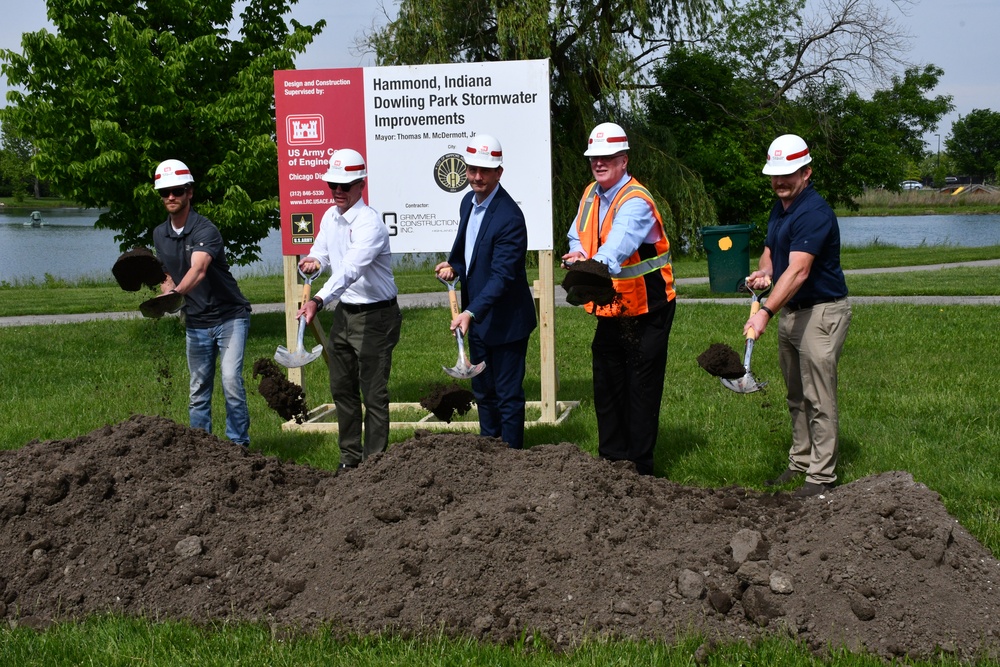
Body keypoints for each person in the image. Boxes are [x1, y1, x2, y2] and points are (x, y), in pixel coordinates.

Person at [561, 122, 677, 476]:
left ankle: (640, 469)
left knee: (640, 388)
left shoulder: (635, 201)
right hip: (612, 308)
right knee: (607, 385)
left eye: (608, 157)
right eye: (595, 157)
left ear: (623, 160)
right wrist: (578, 254)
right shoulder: (591, 194)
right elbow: (576, 235)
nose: (599, 163)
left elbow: (617, 248)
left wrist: (590, 266)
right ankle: (611, 464)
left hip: (649, 308)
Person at [744, 134, 852, 498]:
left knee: (818, 396)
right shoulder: (782, 205)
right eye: (775, 175)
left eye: (787, 174)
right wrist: (763, 273)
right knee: (795, 394)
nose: (779, 182)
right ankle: (801, 461)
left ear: (807, 172)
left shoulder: (814, 212)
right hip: (792, 311)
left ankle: (821, 478)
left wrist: (764, 312)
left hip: (821, 312)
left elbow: (800, 271)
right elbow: (772, 253)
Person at [296, 149, 401, 470]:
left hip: (377, 315)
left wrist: (318, 300)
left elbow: (350, 270)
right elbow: (323, 252)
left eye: (345, 185)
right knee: (342, 388)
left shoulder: (371, 225)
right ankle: (349, 462)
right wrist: (313, 260)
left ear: (361, 185)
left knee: (373, 395)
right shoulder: (331, 216)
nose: (338, 191)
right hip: (345, 312)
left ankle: (374, 467)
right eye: (333, 185)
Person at [434, 134, 537, 449]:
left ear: (498, 173)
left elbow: (502, 276)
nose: (477, 176)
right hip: (477, 320)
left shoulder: (510, 219)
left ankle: (513, 462)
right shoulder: (467, 202)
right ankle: (488, 456)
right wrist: (455, 267)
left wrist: (469, 311)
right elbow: (471, 253)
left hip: (506, 322)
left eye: (485, 170)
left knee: (507, 396)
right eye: (472, 169)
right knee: (484, 394)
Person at [152, 159, 252, 447]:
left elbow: (198, 269)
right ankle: (201, 450)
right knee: (198, 391)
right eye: (165, 192)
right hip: (195, 321)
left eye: (177, 191)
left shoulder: (205, 229)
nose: (171, 197)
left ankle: (238, 447)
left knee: (231, 382)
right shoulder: (160, 233)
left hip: (230, 317)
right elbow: (167, 272)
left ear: (189, 192)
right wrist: (165, 291)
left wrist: (175, 296)